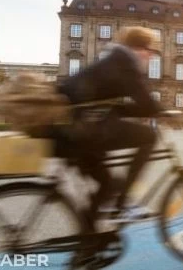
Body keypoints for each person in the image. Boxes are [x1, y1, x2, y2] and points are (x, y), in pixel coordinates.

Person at [57, 26, 163, 226]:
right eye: (150, 51)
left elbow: (117, 108)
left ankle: (88, 245)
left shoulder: (114, 60)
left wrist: (147, 110)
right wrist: (160, 110)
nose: (150, 57)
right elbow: (145, 102)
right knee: (149, 136)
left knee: (107, 187)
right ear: (141, 49)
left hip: (73, 130)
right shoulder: (125, 63)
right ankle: (123, 204)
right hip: (84, 131)